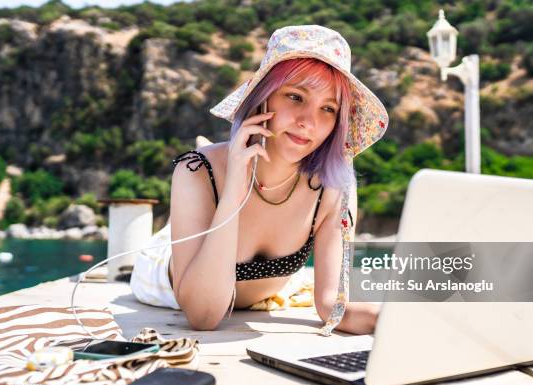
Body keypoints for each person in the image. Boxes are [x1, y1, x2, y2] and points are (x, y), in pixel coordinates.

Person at [131, 25, 389, 336]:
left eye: (328, 108)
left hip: (256, 286)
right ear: (262, 99)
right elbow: (204, 317)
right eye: (295, 96)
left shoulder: (334, 186)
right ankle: (215, 158)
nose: (308, 122)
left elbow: (331, 304)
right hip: (168, 267)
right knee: (203, 180)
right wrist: (233, 191)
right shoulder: (196, 171)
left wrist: (402, 318)